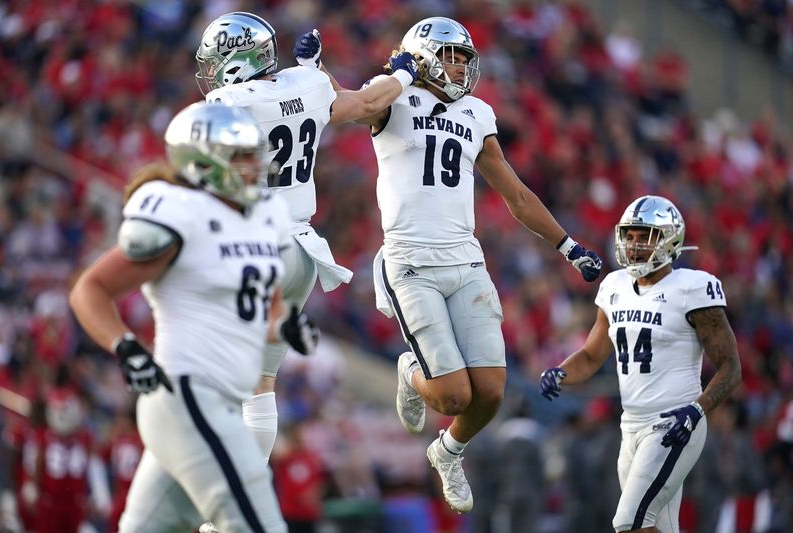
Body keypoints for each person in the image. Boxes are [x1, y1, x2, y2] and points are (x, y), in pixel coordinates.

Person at [295, 16, 602, 513]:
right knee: (453, 396)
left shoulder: (476, 113)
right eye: (451, 56)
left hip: (466, 259)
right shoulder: (393, 91)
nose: (460, 67)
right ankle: (409, 370)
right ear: (422, 56)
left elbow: (516, 194)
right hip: (411, 260)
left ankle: (448, 451)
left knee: (492, 392)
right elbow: (351, 102)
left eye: (465, 58)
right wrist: (316, 68)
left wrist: (568, 246)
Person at [70, 101, 320, 532]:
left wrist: (285, 325)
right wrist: (125, 345)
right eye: (240, 156)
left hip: (219, 401)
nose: (254, 166)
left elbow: (268, 303)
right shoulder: (179, 213)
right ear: (202, 161)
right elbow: (90, 289)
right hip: (188, 395)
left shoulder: (262, 214)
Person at [196, 11, 422, 465]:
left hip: (256, 248)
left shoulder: (225, 103)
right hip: (302, 252)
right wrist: (401, 74)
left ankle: (226, 500)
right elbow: (362, 103)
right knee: (259, 388)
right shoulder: (308, 84)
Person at [539, 195, 742, 533]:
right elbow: (591, 355)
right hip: (630, 424)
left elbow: (731, 368)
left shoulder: (693, 288)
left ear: (669, 239)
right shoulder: (614, 286)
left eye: (645, 235)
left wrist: (697, 410)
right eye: (630, 235)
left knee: (629, 522)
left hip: (674, 421)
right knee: (659, 526)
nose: (634, 245)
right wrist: (561, 372)